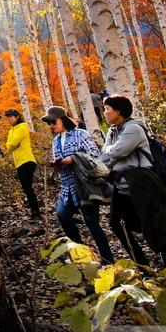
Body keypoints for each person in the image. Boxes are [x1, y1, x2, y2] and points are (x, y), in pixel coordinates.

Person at [99, 95, 166, 267]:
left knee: (156, 225)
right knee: (116, 223)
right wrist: (110, 153)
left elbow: (116, 152)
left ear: (118, 111)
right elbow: (106, 157)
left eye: (107, 109)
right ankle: (142, 266)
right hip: (122, 184)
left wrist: (110, 153)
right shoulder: (113, 131)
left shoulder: (133, 129)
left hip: (142, 183)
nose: (104, 113)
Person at [44, 107, 115, 264]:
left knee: (92, 223)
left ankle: (108, 260)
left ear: (63, 119)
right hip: (66, 187)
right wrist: (57, 165)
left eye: (52, 121)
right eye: (49, 123)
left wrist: (73, 158)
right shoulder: (55, 141)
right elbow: (59, 160)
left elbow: (95, 156)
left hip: (84, 186)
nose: (51, 125)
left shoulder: (80, 134)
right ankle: (81, 255)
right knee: (63, 216)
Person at [1, 108, 41, 220]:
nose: (9, 119)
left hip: (27, 160)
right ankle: (35, 211)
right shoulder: (11, 130)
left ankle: (36, 212)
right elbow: (9, 146)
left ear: (17, 117)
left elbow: (12, 143)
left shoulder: (23, 126)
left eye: (11, 116)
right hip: (19, 163)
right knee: (26, 188)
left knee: (28, 188)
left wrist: (11, 144)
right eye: (7, 117)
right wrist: (10, 145)